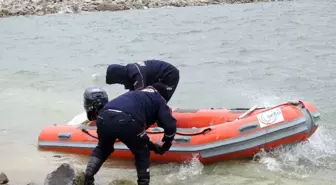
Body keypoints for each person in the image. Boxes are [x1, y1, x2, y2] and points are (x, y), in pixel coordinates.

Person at [82, 83, 177, 185]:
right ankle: (143, 182)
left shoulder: (135, 94)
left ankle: (88, 177)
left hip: (103, 117)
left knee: (103, 148)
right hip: (127, 120)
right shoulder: (158, 99)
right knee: (142, 152)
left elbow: (138, 138)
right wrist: (167, 143)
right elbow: (170, 125)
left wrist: (153, 147)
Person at [105, 59, 180, 102]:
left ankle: (163, 116)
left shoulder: (137, 75)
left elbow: (139, 96)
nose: (120, 83)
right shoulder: (130, 71)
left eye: (118, 81)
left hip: (169, 75)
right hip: (155, 77)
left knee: (160, 99)